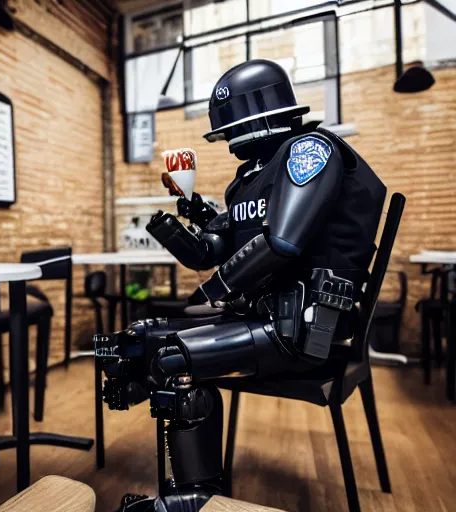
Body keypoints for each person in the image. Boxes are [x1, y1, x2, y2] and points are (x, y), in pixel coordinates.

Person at [95, 59, 386, 511]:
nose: (228, 140)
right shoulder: (250, 179)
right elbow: (211, 252)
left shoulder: (309, 150)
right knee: (137, 337)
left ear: (256, 116)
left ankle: (193, 500)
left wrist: (210, 292)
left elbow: (282, 242)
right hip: (261, 317)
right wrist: (178, 222)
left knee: (173, 359)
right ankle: (145, 385)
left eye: (230, 130)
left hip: (304, 330)